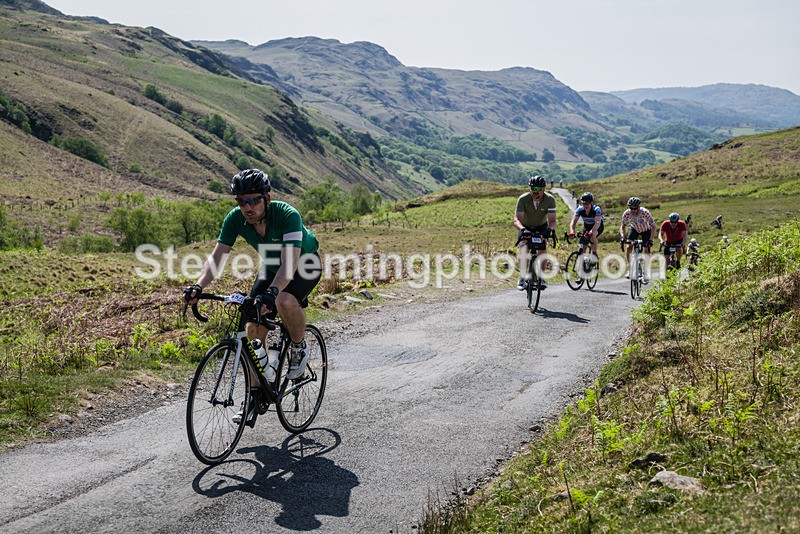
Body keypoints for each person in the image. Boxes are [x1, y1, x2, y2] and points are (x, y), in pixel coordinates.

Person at [183, 169, 321, 423]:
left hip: (304, 264)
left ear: (266, 199)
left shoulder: (287, 215)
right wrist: (198, 286)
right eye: (241, 200)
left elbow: (289, 266)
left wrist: (272, 293)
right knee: (252, 327)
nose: (247, 207)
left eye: (253, 200)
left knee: (283, 300)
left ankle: (298, 346)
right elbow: (216, 258)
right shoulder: (235, 219)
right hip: (272, 266)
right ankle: (255, 395)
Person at [514, 175, 557, 290]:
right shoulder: (523, 199)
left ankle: (541, 277)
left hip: (541, 227)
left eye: (538, 189)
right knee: (523, 248)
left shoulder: (549, 199)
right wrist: (522, 229)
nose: (535, 191)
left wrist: (548, 231)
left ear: (544, 189)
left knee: (542, 249)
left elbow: (552, 221)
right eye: (533, 188)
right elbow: (517, 219)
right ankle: (522, 277)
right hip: (525, 227)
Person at [619, 197, 655, 274]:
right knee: (628, 246)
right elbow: (623, 226)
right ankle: (630, 268)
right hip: (634, 229)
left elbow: (653, 226)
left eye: (634, 208)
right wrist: (622, 237)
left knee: (646, 249)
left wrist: (650, 240)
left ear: (638, 207)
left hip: (646, 230)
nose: (633, 210)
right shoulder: (627, 213)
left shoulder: (645, 212)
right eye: (631, 208)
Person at [569, 192, 604, 257]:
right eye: (584, 204)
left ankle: (594, 253)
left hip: (597, 226)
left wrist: (591, 231)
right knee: (582, 243)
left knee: (592, 236)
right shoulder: (580, 209)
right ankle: (582, 258)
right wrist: (572, 231)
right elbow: (573, 221)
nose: (585, 206)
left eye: (587, 204)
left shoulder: (596, 209)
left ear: (591, 203)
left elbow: (597, 223)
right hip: (587, 226)